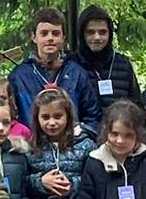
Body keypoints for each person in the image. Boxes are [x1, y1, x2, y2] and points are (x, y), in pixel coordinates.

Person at [9, 8, 102, 136]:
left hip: (72, 147)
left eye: (55, 34)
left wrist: (81, 135)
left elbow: (92, 116)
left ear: (63, 38)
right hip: (33, 149)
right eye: (44, 33)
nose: (50, 38)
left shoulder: (77, 73)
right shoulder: (18, 77)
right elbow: (10, 118)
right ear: (34, 37)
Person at [74, 5, 143, 108]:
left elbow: (136, 104)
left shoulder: (123, 64)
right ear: (82, 34)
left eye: (102, 32)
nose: (97, 37)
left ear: (110, 34)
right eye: (90, 32)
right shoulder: (73, 64)